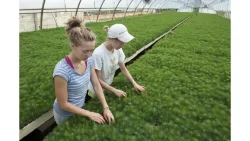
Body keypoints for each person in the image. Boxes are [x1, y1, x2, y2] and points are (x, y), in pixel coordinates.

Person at [52, 16, 114, 125]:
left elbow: (96, 83)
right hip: (65, 115)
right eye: (85, 51)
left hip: (81, 108)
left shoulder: (89, 61)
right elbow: (63, 104)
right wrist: (89, 114)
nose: (89, 55)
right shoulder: (62, 71)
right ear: (73, 45)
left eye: (91, 50)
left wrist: (106, 107)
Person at [87, 24, 145, 99]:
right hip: (95, 90)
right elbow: (97, 79)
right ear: (112, 39)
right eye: (121, 42)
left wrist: (135, 84)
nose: (123, 45)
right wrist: (114, 90)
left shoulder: (118, 50)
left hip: (108, 86)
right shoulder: (98, 54)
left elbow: (123, 69)